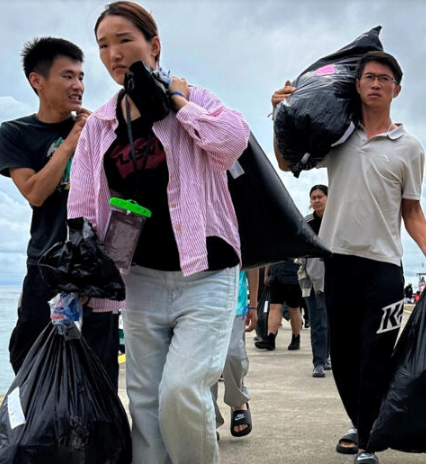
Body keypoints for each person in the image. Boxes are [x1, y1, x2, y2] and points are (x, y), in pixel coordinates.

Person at [67, 2, 250, 463]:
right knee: (145, 404)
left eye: (124, 40)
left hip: (206, 274)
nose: (113, 54)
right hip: (142, 279)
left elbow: (232, 141)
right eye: (103, 46)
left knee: (181, 392)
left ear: (154, 45)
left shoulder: (194, 97)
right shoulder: (101, 126)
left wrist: (179, 103)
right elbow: (85, 204)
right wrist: (81, 273)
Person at [272, 50, 426, 464]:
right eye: (369, 76)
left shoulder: (410, 148)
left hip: (385, 268)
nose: (376, 83)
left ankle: (369, 439)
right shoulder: (339, 136)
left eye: (384, 79)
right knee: (346, 357)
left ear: (397, 89)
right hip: (338, 264)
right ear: (357, 84)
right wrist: (279, 115)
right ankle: (363, 422)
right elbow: (287, 163)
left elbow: (411, 210)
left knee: (377, 353)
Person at [0, 37, 122, 390]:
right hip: (47, 261)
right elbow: (36, 193)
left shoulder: (100, 127)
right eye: (68, 76)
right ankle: (40, 432)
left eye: (81, 77)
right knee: (28, 354)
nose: (78, 86)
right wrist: (72, 141)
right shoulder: (16, 132)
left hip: (98, 264)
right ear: (37, 80)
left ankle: (101, 440)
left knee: (101, 362)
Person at [212, 269, 258, 439]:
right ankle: (209, 417)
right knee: (206, 362)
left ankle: (238, 401)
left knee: (233, 354)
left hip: (235, 302)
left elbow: (253, 264)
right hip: (200, 301)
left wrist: (253, 304)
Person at [298, 184, 331, 378]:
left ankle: (327, 357)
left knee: (332, 321)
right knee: (318, 322)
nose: (317, 200)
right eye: (313, 198)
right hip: (312, 280)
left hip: (335, 280)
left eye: (320, 197)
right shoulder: (306, 223)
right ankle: (318, 362)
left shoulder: (338, 219)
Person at [255, 260, 303, 351]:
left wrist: (266, 275)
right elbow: (270, 255)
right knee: (275, 307)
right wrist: (266, 275)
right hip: (278, 274)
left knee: (293, 308)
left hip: (291, 275)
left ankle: (295, 337)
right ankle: (271, 338)